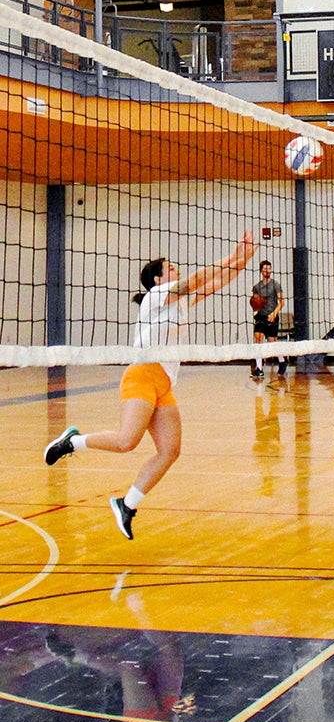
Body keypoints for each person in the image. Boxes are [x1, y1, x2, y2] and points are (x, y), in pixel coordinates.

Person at [44, 230, 259, 539]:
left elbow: (217, 281)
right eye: (170, 268)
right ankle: (72, 441)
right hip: (142, 374)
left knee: (170, 450)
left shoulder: (179, 300)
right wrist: (231, 256)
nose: (176, 270)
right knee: (125, 442)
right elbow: (199, 278)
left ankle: (127, 504)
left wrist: (244, 256)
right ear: (158, 280)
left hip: (164, 383)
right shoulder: (157, 297)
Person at [250, 259, 287, 378]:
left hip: (272, 316)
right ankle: (259, 368)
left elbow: (282, 302)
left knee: (272, 342)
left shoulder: (275, 285)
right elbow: (254, 302)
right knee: (258, 339)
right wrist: (256, 310)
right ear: (261, 271)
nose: (267, 271)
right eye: (265, 269)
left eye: (269, 268)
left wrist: (274, 314)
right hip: (261, 316)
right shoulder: (257, 287)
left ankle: (282, 360)